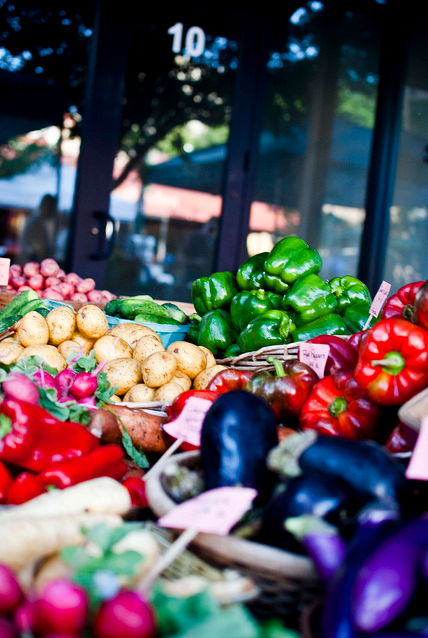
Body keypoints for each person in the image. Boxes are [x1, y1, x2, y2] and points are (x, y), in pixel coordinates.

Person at [20, 194, 58, 262]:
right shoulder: (35, 222)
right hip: (33, 260)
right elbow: (35, 247)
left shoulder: (41, 221)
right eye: (50, 207)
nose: (51, 211)